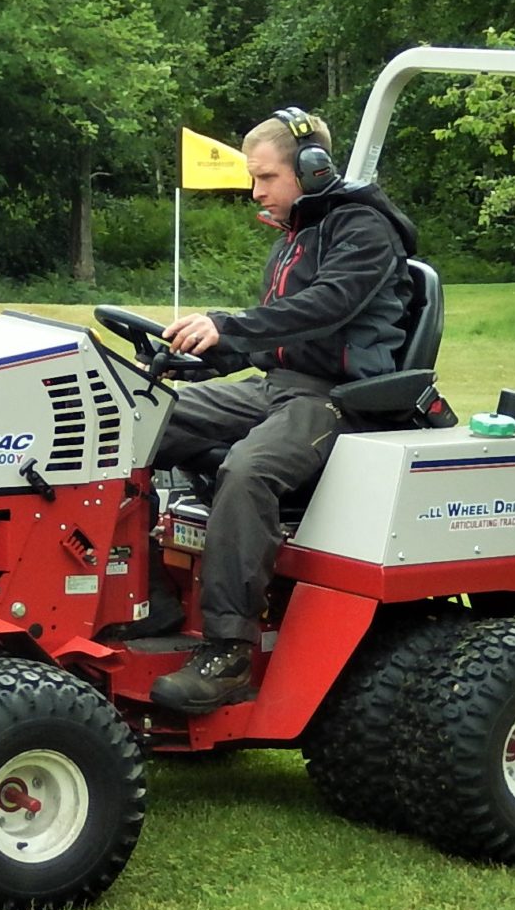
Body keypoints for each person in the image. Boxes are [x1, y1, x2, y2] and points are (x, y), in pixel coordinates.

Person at [146, 106, 420, 713]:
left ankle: (228, 653)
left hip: (341, 399)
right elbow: (277, 339)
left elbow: (325, 310)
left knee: (247, 471)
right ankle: (151, 597)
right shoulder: (300, 235)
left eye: (266, 176)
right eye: (253, 177)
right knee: (137, 423)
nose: (256, 190)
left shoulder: (364, 231)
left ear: (313, 167)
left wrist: (229, 326)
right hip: (277, 386)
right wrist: (197, 357)